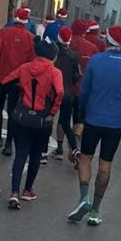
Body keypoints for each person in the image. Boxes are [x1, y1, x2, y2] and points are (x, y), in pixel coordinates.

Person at [67, 25, 121, 226]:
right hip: (116, 123)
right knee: (105, 166)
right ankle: (95, 210)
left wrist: (82, 114)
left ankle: (83, 198)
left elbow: (84, 91)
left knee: (85, 159)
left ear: (108, 40)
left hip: (94, 118)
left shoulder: (95, 61)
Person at [2, 37, 64, 209]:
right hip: (42, 120)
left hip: (22, 117)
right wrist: (52, 112)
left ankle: (14, 192)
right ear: (53, 56)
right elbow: (59, 92)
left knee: (20, 154)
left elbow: (6, 80)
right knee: (36, 155)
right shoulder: (54, 73)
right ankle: (28, 190)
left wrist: (19, 90)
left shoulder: (25, 67)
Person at [0, 7, 36, 156]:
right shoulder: (30, 38)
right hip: (18, 80)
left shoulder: (4, 32)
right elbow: (31, 60)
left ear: (15, 18)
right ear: (26, 20)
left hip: (2, 76)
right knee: (12, 112)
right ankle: (9, 143)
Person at [52, 28, 82, 162]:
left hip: (52, 92)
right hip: (68, 93)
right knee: (65, 123)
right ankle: (75, 148)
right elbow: (76, 76)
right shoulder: (74, 55)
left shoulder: (53, 51)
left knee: (48, 119)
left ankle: (48, 152)